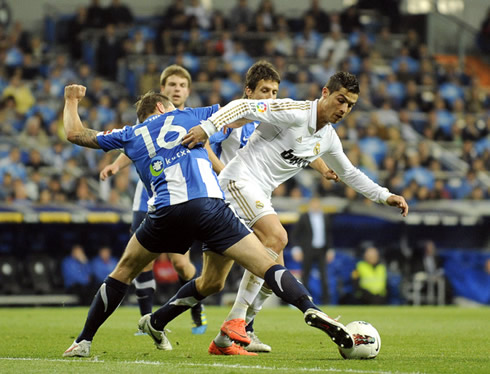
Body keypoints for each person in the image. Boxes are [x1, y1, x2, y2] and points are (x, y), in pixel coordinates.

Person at [61, 85, 354, 358]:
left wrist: (72, 99)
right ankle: (310, 307)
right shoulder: (193, 115)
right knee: (267, 263)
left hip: (165, 212)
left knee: (124, 271)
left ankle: (83, 341)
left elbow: (75, 134)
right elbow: (243, 113)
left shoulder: (132, 134)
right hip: (210, 207)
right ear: (165, 108)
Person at [182, 71, 409, 354]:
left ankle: (226, 338)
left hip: (260, 193)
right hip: (237, 180)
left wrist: (384, 195)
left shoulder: (327, 138)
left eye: (350, 105)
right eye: (340, 100)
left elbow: (349, 172)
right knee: (276, 237)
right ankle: (236, 320)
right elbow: (244, 106)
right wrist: (208, 127)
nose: (344, 109)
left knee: (273, 269)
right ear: (325, 93)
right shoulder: (295, 111)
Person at [99, 65, 208, 334]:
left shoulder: (192, 120)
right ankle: (146, 319)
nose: (177, 89)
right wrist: (116, 165)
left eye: (182, 85)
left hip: (182, 197)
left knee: (181, 263)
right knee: (141, 259)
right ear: (163, 92)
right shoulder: (147, 119)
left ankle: (195, 306)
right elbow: (135, 146)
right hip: (147, 197)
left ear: (188, 90)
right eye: (172, 85)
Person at [291, 196, 332, 304]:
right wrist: (296, 249)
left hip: (322, 250)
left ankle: (326, 302)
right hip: (308, 250)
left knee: (324, 276)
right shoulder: (304, 217)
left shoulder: (325, 217)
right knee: (306, 276)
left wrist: (330, 249)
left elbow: (328, 234)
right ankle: (305, 300)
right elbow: (295, 234)